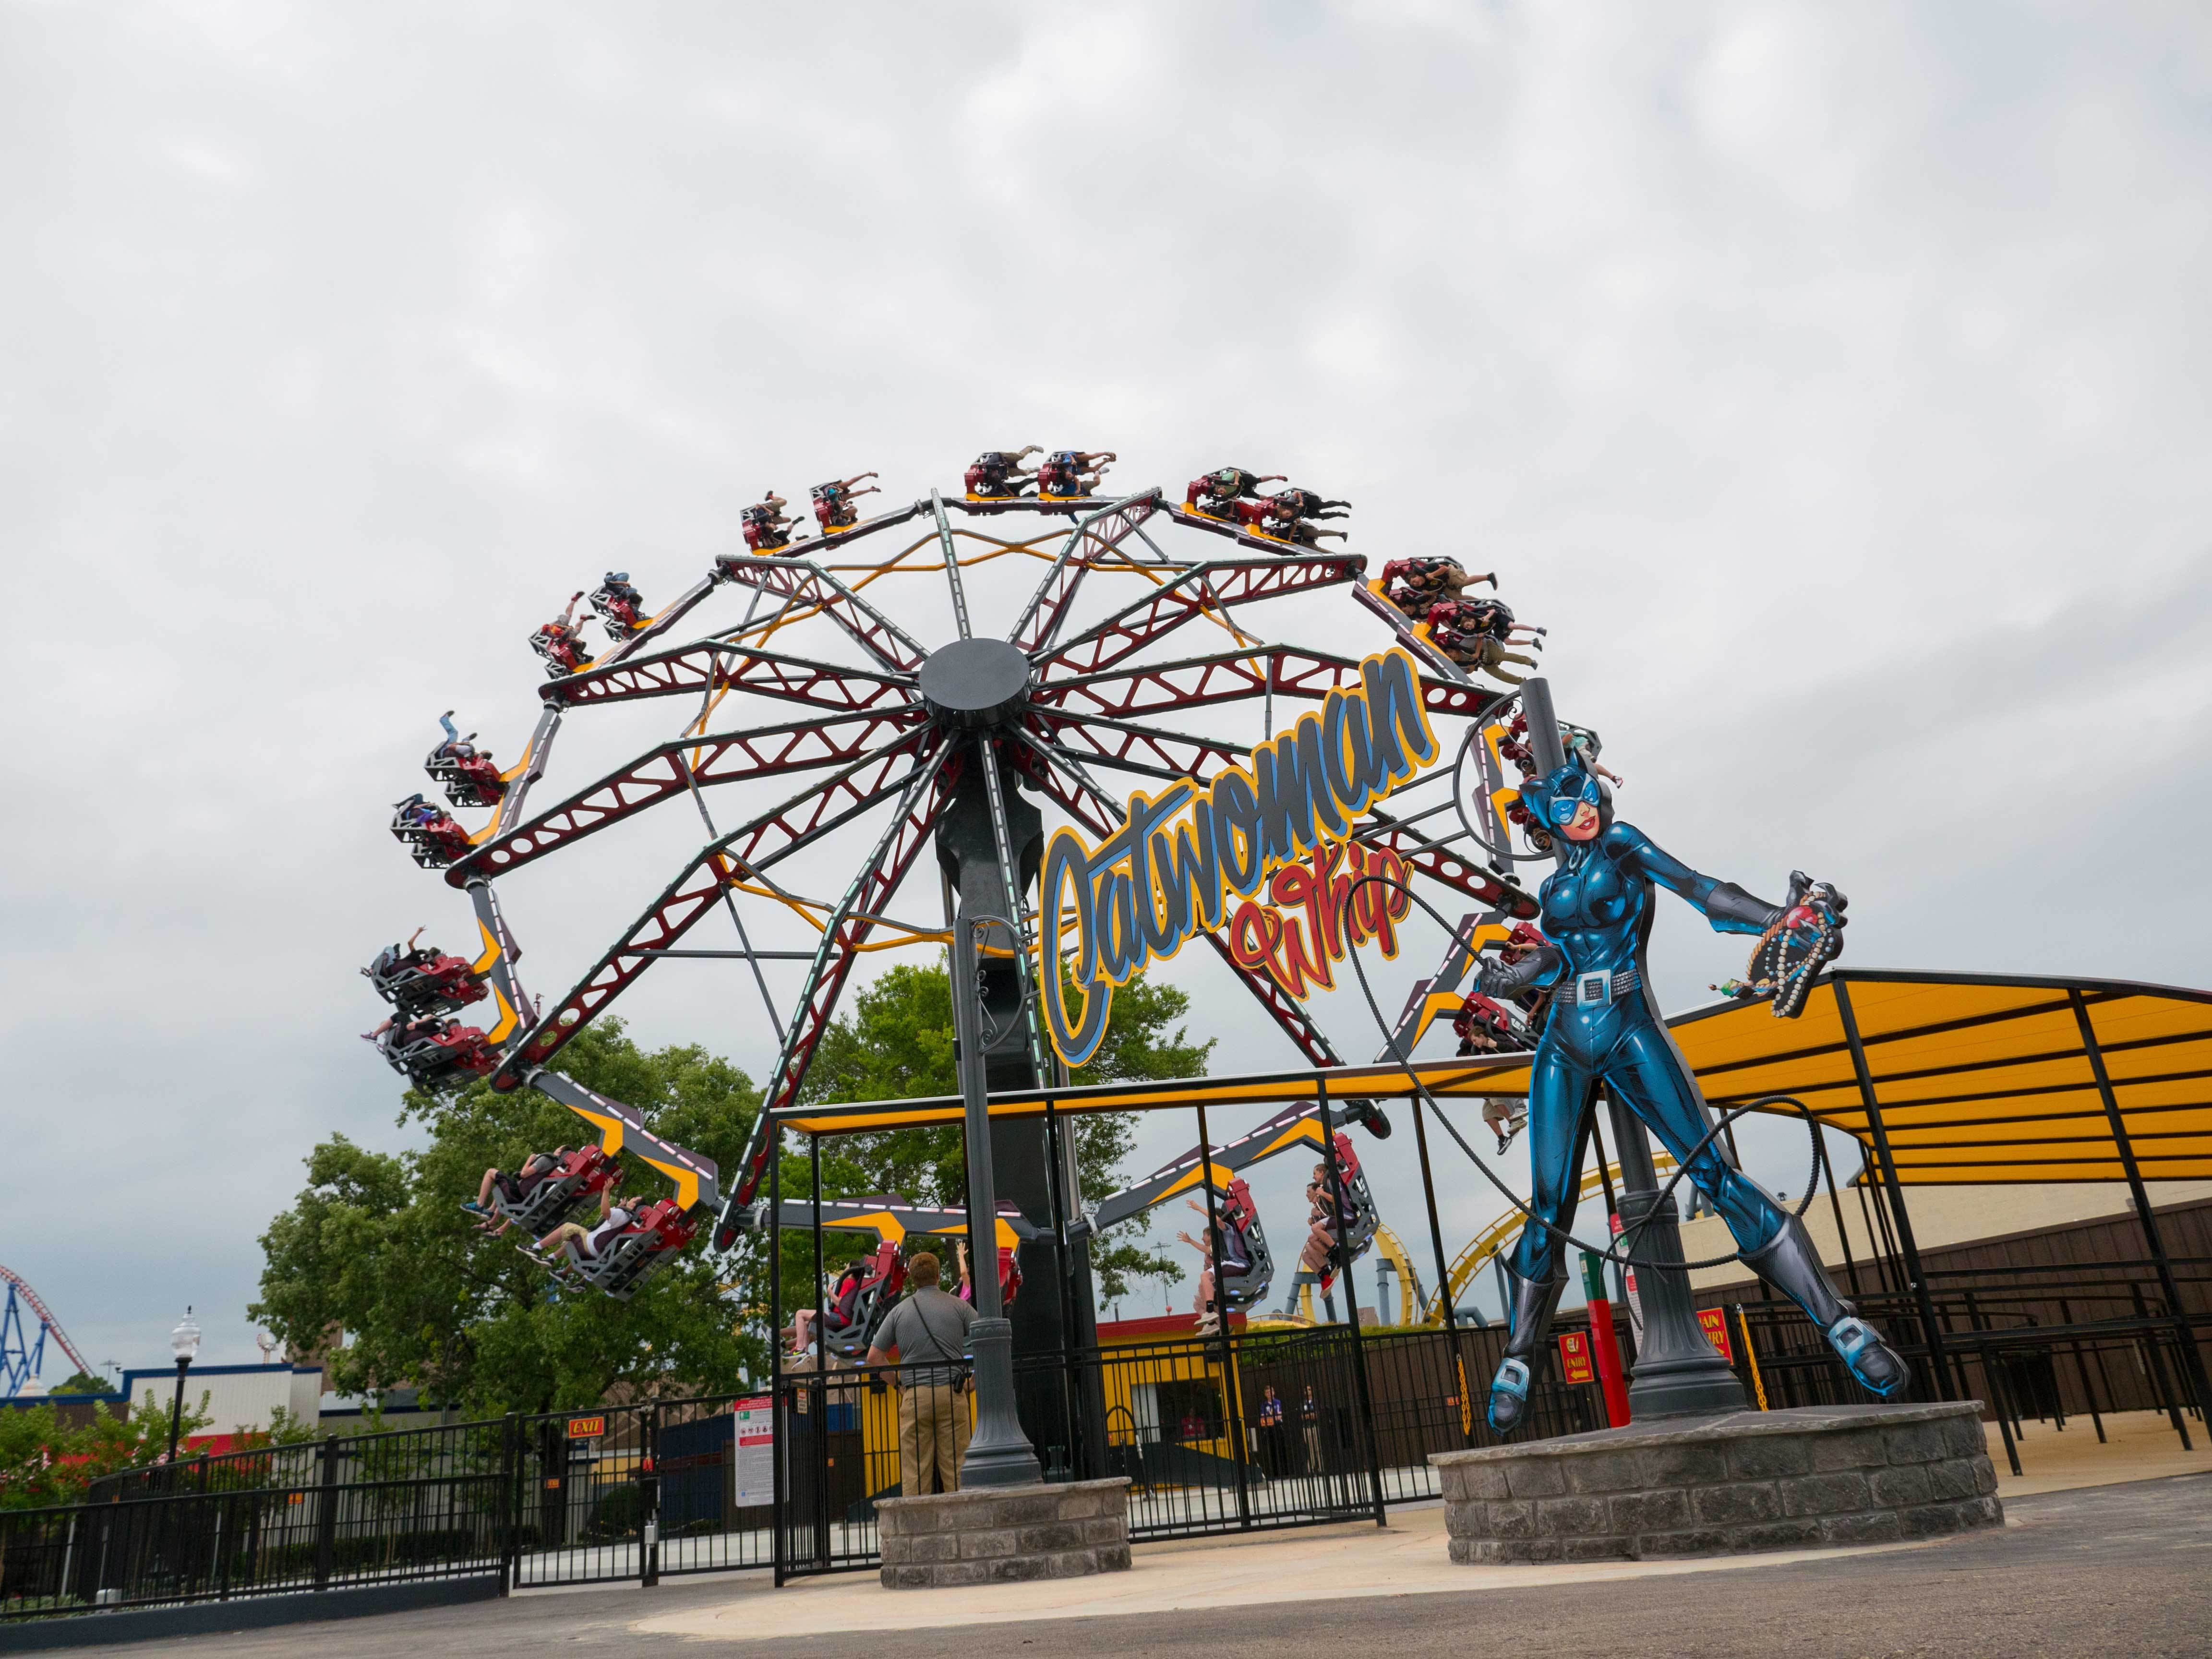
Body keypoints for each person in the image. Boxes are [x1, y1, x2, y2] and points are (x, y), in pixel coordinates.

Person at [1467, 753, 1903, 1432]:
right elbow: (1557, 958)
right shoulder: (1553, 890)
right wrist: (1512, 973)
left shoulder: (1623, 845)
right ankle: (1521, 1354)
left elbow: (1701, 891)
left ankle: (1843, 1325)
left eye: (1588, 797)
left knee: (1713, 1173)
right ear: (1546, 824)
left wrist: (1772, 921)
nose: (1585, 811)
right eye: (1566, 808)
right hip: (1562, 1041)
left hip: (1629, 1025)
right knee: (1548, 1205)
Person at [864, 1250, 977, 1495]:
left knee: (915, 1472)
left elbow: (874, 1357)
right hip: (952, 1393)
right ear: (938, 1276)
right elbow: (987, 1341)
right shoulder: (959, 1306)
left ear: (913, 1280)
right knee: (957, 1468)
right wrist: (972, 1382)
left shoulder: (899, 1312)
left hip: (916, 1397)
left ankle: (918, 1531)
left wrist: (898, 1385)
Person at [465, 1148, 570, 1235]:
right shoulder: (558, 1169)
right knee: (503, 1185)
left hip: (518, 1193)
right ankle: (491, 1216)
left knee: (490, 1172)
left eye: (560, 1147)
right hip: (526, 1199)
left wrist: (530, 1159)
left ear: (560, 1151)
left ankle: (479, 1205)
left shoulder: (547, 1159)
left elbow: (524, 1174)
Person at [532, 1186, 634, 1267]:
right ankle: (552, 1259)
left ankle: (535, 1248)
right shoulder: (629, 1220)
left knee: (567, 1227)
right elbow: (606, 1224)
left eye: (634, 1200)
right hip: (599, 1253)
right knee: (573, 1239)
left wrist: (606, 1190)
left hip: (592, 1245)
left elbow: (605, 1212)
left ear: (634, 1206)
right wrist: (619, 1207)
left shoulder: (622, 1214)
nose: (631, 1199)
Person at [810, 472, 880, 531]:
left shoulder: (833, 498)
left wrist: (837, 488)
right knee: (852, 492)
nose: (843, 503)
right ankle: (871, 488)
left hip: (834, 492)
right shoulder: (839, 507)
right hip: (838, 498)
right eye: (843, 504)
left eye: (843, 504)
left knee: (850, 486)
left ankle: (869, 476)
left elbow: (829, 488)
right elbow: (840, 511)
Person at [965, 446, 1041, 497]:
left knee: (1021, 456)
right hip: (1006, 471)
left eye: (996, 473)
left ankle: (1032, 447)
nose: (997, 473)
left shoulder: (991, 465)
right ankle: (1032, 470)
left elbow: (995, 455)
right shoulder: (993, 482)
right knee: (1024, 473)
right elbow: (996, 487)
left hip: (1004, 459)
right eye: (997, 475)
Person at [1037, 449, 1116, 497]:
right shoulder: (1068, 477)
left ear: (1067, 472)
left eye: (1069, 475)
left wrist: (1073, 461)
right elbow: (1075, 480)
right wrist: (1078, 489)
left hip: (1073, 458)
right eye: (1069, 477)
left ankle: (1106, 453)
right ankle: (1107, 461)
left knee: (1092, 457)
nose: (1070, 476)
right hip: (1076, 469)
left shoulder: (1066, 465)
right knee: (1094, 469)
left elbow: (1069, 457)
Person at [1256, 1384, 1287, 1480]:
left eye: (1270, 1392)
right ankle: (1276, 1474)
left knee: (1282, 1449)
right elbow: (1263, 1418)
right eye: (1267, 1392)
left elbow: (1279, 1416)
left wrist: (1270, 1418)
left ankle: (1285, 1473)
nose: (1269, 1394)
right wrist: (1272, 1418)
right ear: (1265, 1394)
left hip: (1278, 1427)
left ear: (1274, 1393)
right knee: (1272, 1450)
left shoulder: (1278, 1402)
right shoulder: (1264, 1405)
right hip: (1269, 1429)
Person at [1298, 1383, 1324, 1476]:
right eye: (1306, 1390)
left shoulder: (1316, 1402)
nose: (1307, 1391)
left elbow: (1316, 1415)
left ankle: (1321, 1468)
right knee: (1310, 1448)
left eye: (1309, 1390)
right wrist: (1310, 1415)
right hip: (1307, 1427)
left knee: (1318, 1447)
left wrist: (1308, 1416)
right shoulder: (1303, 1404)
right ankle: (1312, 1468)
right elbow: (1302, 1417)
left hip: (1315, 1426)